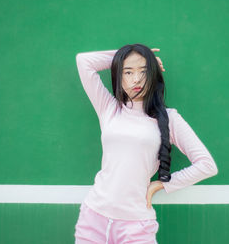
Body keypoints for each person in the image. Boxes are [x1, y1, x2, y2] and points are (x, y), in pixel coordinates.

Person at [74, 43, 218, 244]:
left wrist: (161, 185)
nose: (136, 79)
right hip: (93, 218)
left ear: (153, 76)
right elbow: (84, 61)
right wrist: (126, 56)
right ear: (119, 76)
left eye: (144, 71)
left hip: (136, 225)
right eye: (128, 72)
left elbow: (206, 165)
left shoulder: (169, 119)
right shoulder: (109, 109)